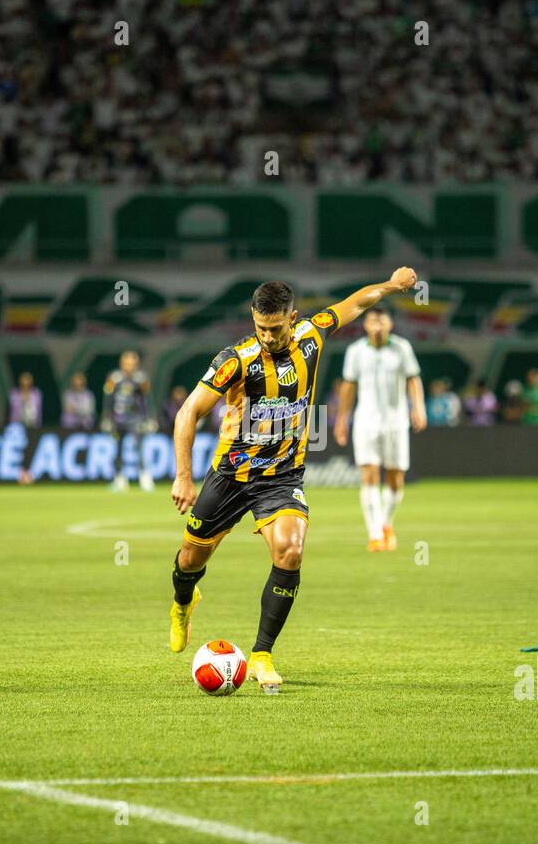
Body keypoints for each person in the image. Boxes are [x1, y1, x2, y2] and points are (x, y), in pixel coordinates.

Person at [168, 268, 418, 692]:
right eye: (261, 328)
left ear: (292, 317)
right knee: (190, 561)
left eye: (275, 327)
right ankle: (183, 601)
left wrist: (392, 286)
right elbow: (187, 412)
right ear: (254, 320)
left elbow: (355, 304)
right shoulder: (236, 360)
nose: (267, 336)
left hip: (282, 477)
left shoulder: (311, 335)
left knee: (290, 550)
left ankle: (262, 654)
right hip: (231, 475)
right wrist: (183, 477)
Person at [334, 307, 425, 551]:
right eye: (373, 320)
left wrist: (418, 408)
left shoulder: (402, 348)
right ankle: (374, 533)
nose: (377, 325)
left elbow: (413, 378)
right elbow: (348, 386)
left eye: (381, 320)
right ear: (365, 325)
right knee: (370, 474)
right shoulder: (356, 351)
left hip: (396, 422)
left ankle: (386, 523)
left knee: (396, 478)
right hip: (366, 422)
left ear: (390, 324)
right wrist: (342, 419)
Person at [101, 350, 155, 491]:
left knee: (139, 447)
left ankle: (144, 477)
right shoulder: (114, 377)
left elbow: (147, 399)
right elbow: (108, 398)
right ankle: (119, 479)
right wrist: (106, 417)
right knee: (118, 449)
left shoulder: (141, 378)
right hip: (118, 419)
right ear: (121, 363)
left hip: (135, 419)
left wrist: (150, 417)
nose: (129, 366)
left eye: (132, 363)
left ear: (136, 364)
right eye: (126, 363)